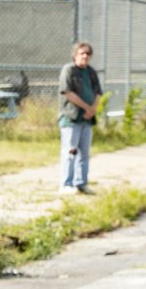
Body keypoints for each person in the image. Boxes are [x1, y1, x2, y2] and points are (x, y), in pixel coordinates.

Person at [59, 41, 102, 192]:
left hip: (87, 119)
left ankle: (81, 183)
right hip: (72, 118)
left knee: (84, 153)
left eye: (88, 54)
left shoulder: (91, 72)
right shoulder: (69, 70)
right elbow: (68, 92)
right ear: (75, 55)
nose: (85, 56)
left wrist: (93, 109)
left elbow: (98, 93)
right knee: (70, 151)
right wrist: (86, 107)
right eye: (81, 53)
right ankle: (66, 184)